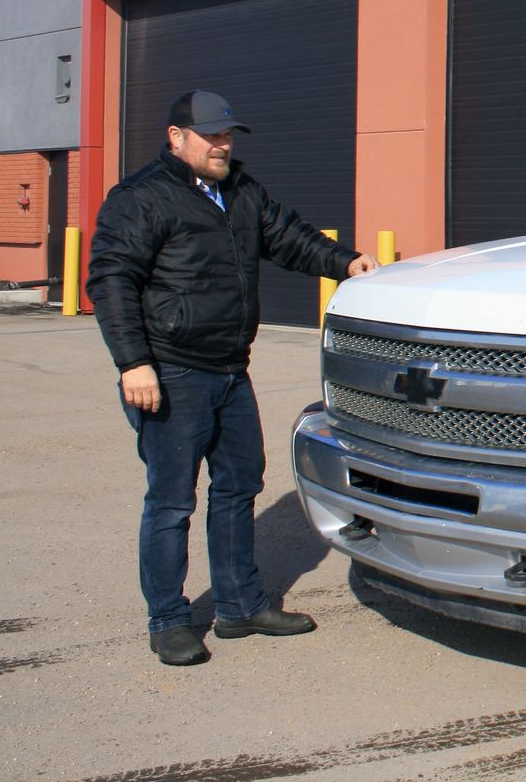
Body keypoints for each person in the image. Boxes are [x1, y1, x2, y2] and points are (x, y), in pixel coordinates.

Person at [88, 90, 378, 666]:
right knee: (172, 502)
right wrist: (133, 363)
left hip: (229, 369)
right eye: (212, 135)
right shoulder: (142, 198)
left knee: (238, 488)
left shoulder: (240, 193)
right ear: (177, 137)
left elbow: (289, 237)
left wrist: (345, 262)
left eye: (228, 135)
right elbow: (111, 280)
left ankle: (240, 607)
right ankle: (169, 619)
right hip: (170, 372)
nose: (223, 144)